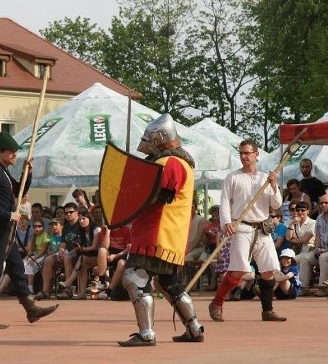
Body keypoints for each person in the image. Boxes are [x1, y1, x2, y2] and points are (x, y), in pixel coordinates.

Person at [118, 113, 204, 346]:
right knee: (168, 284)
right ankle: (194, 328)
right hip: (169, 236)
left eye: (149, 142)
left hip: (156, 234)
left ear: (159, 140)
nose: (146, 148)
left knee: (135, 277)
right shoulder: (180, 162)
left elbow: (155, 195)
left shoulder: (169, 162)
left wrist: (129, 186)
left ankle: (146, 334)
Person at [0, 131, 58, 329]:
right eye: (10, 152)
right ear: (0, 152)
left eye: (15, 152)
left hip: (5, 229)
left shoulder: (3, 170)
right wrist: (7, 214)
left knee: (17, 269)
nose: (14, 155)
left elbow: (19, 190)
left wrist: (27, 173)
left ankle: (31, 309)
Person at [209, 138, 286, 323]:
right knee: (238, 270)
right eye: (241, 153)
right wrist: (226, 222)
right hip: (241, 226)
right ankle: (217, 303)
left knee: (268, 270)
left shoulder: (265, 179)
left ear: (256, 155)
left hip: (262, 227)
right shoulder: (233, 177)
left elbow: (276, 204)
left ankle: (267, 310)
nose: (244, 156)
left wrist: (274, 185)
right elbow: (225, 202)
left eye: (247, 153)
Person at [296, 195, 328, 297]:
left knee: (324, 257)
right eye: (321, 203)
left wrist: (326, 249)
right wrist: (316, 248)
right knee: (304, 257)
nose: (323, 205)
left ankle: (323, 288)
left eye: (326, 202)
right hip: (321, 250)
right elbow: (318, 235)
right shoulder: (319, 217)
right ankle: (304, 287)